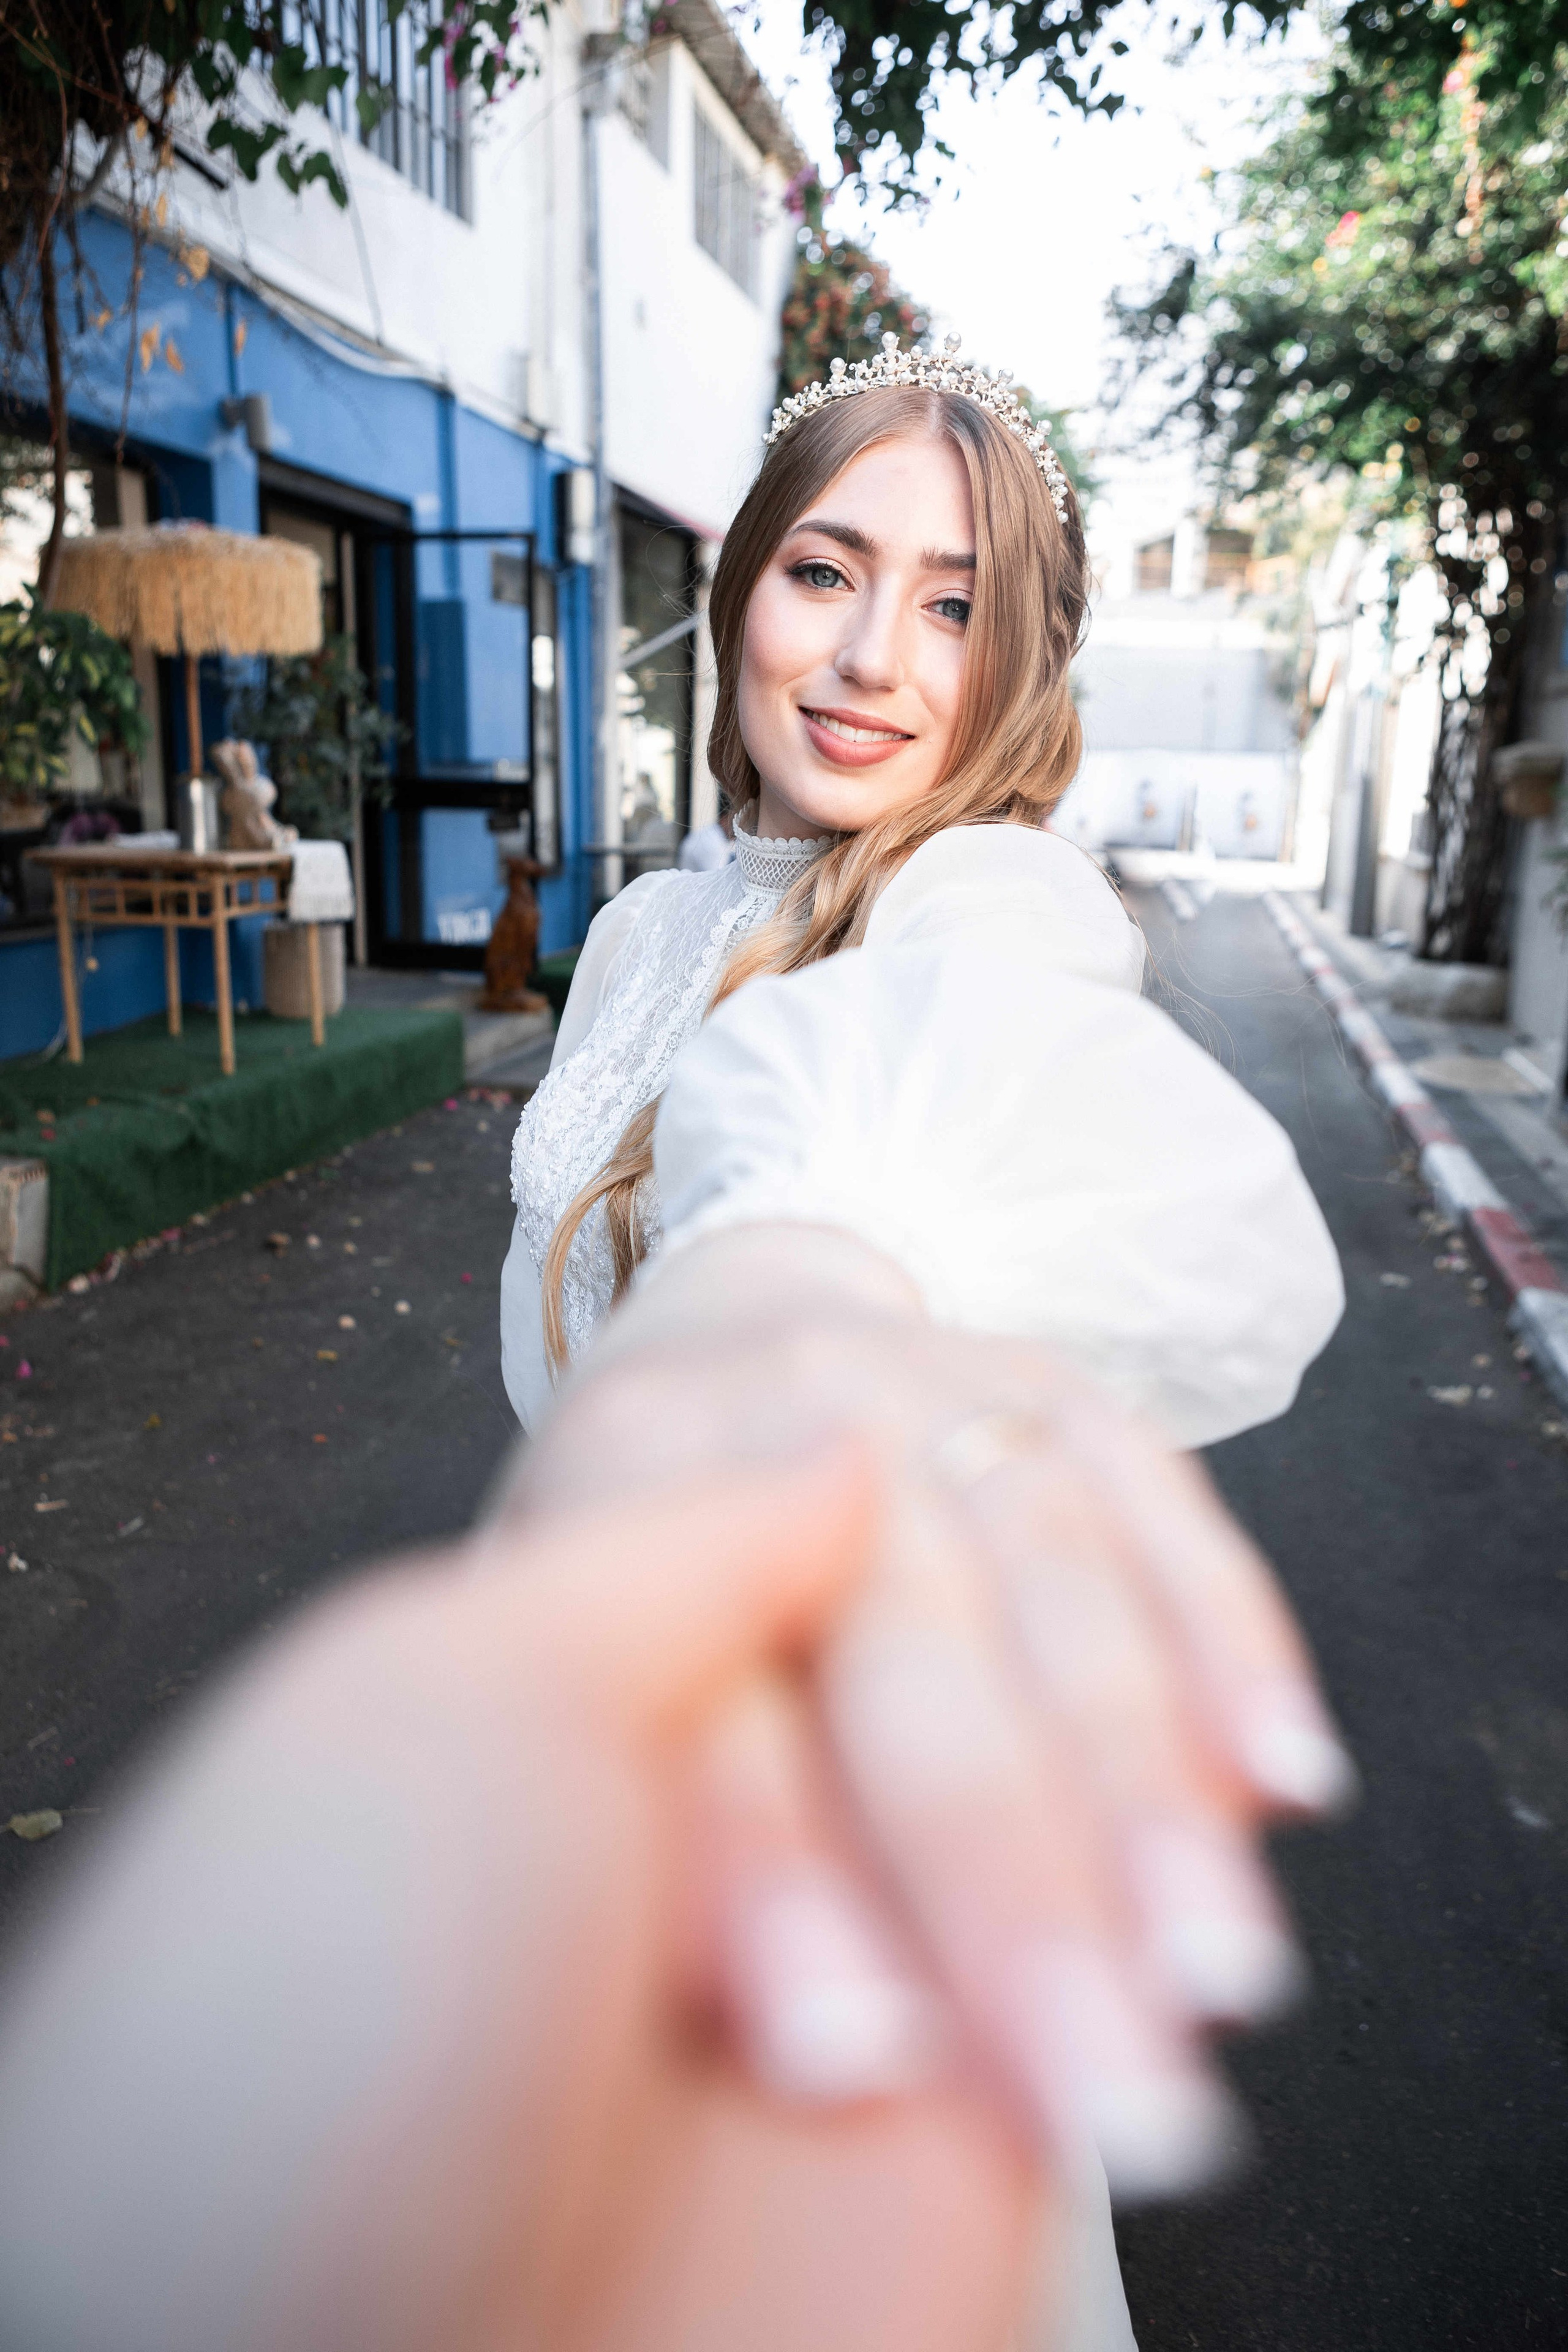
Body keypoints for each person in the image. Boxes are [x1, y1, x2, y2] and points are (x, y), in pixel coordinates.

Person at [499, 334, 1346, 2345]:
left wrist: (792, 1300)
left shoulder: (985, 907)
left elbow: (857, 1187)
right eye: (826, 569)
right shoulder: (641, 929)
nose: (875, 652)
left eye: (954, 603)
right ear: (736, 600)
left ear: (1014, 663)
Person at [0, 1334, 1354, 2352]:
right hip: (597, 1673)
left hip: (753, 1670)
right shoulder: (624, 953)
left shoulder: (989, 944)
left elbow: (845, 1176)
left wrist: (777, 1338)